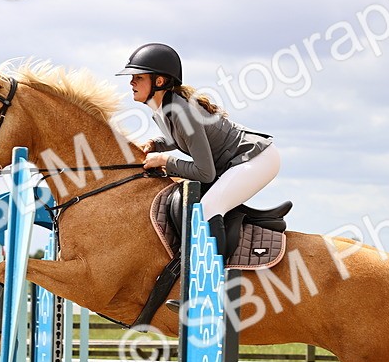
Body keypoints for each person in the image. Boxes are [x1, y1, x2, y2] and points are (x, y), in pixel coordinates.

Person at [117, 43, 280, 253]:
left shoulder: (182, 113)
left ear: (159, 81)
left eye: (138, 77)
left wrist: (164, 160)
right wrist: (155, 144)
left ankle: (216, 271)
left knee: (208, 208)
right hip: (240, 160)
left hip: (257, 159)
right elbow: (180, 139)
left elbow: (205, 173)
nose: (131, 82)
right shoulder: (166, 109)